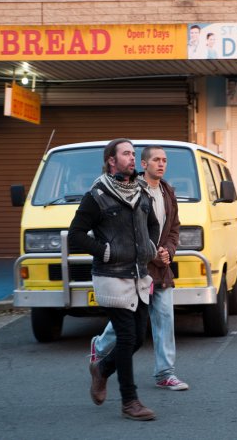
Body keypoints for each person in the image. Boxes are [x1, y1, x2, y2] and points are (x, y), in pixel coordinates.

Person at [68, 138, 160, 421]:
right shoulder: (97, 195)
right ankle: (130, 402)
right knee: (127, 335)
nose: (133, 158)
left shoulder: (141, 192)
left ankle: (102, 369)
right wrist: (105, 251)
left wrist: (151, 248)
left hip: (138, 276)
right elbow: (75, 235)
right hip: (111, 277)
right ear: (111, 161)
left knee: (136, 340)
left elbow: (153, 224)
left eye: (133, 154)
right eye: (126, 154)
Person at [90, 145, 189, 392]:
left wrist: (169, 250)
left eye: (165, 160)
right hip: (135, 267)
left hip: (161, 267)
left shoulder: (167, 191)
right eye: (156, 159)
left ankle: (165, 373)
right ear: (143, 164)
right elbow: (132, 232)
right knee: (127, 321)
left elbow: (174, 228)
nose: (162, 164)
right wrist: (155, 254)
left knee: (165, 317)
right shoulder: (131, 190)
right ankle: (100, 348)